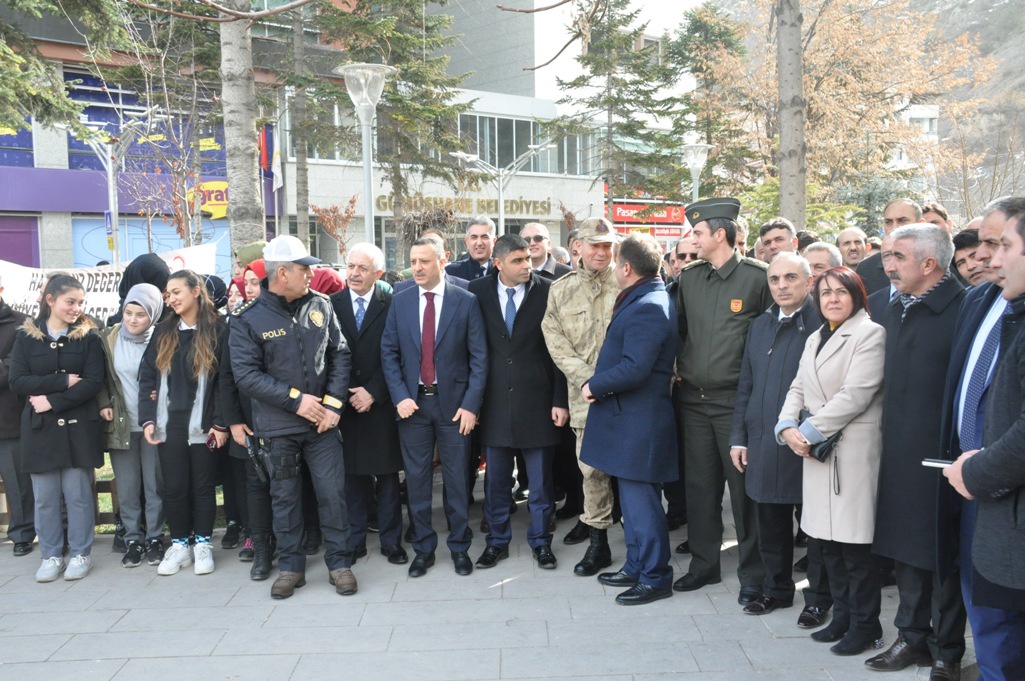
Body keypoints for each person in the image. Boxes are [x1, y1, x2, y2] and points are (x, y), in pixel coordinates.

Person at [229, 235, 355, 599]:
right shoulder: (247, 318)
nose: (312, 273)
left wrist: (332, 405)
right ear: (282, 273)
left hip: (323, 424)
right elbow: (246, 374)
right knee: (284, 498)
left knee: (332, 494)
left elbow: (340, 354)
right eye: (305, 268)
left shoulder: (320, 305)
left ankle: (339, 564)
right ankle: (290, 568)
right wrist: (296, 401)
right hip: (279, 425)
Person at [867, 224, 968, 676]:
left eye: (898, 257)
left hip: (945, 453)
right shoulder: (890, 307)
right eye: (887, 254)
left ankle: (947, 651)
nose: (888, 264)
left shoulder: (964, 307)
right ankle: (911, 638)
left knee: (941, 554)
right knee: (905, 547)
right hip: (896, 448)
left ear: (930, 264)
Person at [775, 267, 886, 656]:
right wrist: (786, 425)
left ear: (857, 294)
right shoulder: (816, 336)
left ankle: (867, 625)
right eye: (825, 293)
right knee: (828, 547)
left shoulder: (871, 333)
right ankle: (841, 617)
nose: (833, 299)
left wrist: (806, 431)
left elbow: (857, 393)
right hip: (817, 452)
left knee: (855, 549)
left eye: (841, 292)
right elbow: (797, 386)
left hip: (851, 452)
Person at [939, 196, 1025, 681]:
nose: (987, 258)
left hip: (1000, 483)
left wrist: (980, 470)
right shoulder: (979, 299)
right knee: (986, 614)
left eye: (999, 244)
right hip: (968, 483)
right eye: (983, 244)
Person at [673, 197, 771, 605]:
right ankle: (704, 565)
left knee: (744, 492)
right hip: (692, 402)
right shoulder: (690, 278)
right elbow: (679, 333)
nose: (691, 239)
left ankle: (753, 572)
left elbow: (770, 341)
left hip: (736, 405)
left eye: (697, 232)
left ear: (720, 233)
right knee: (699, 487)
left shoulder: (758, 278)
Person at [730, 253, 832, 625]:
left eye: (790, 278)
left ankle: (819, 599)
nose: (782, 286)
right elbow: (746, 385)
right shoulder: (760, 325)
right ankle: (776, 590)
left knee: (816, 529)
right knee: (770, 525)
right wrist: (739, 437)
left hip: (807, 444)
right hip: (762, 442)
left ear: (809, 281)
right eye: (774, 280)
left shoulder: (824, 323)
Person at [381, 236, 488, 578]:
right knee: (417, 480)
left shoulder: (465, 301)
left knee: (457, 481)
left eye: (424, 261)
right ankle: (424, 549)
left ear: (442, 261)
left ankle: (460, 547)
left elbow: (479, 358)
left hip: (455, 408)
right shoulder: (401, 301)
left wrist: (471, 405)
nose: (417, 268)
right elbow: (389, 353)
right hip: (413, 406)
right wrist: (400, 396)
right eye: (413, 261)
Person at [580, 234, 678, 605]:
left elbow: (636, 367)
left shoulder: (649, 304)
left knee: (643, 506)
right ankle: (637, 565)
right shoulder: (646, 296)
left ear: (625, 267)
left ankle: (655, 576)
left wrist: (595, 385)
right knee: (633, 504)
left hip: (639, 423)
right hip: (628, 422)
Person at [469, 234, 568, 570]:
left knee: (540, 484)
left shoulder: (549, 289)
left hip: (539, 403)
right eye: (517, 260)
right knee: (496, 483)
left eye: (528, 258)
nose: (527, 265)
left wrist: (559, 399)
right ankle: (497, 542)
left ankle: (541, 543)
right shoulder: (476, 292)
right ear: (498, 263)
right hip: (494, 404)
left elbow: (559, 351)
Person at [9, 274, 105, 581]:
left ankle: (81, 553)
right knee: (46, 497)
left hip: (77, 427)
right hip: (40, 429)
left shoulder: (88, 336)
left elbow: (93, 381)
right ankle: (50, 554)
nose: (76, 308)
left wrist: (53, 401)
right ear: (50, 300)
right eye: (70, 302)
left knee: (77, 494)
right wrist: (61, 381)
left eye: (80, 302)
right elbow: (17, 381)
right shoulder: (26, 336)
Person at [541, 217, 620, 577]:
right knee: (592, 472)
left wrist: (614, 380)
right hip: (585, 398)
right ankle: (598, 543)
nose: (602, 252)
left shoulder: (629, 282)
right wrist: (590, 380)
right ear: (579, 248)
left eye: (607, 245)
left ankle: (638, 539)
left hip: (628, 395)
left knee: (632, 471)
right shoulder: (561, 290)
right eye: (595, 245)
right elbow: (556, 343)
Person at [139, 270, 228, 577]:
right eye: (168, 294)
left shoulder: (219, 329)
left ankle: (202, 544)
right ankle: (179, 545)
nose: (171, 298)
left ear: (195, 292)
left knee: (202, 487)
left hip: (205, 424)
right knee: (174, 487)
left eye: (176, 291)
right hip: (169, 423)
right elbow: (147, 377)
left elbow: (225, 382)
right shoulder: (164, 331)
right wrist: (148, 418)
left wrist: (221, 423)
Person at [330, 243, 407, 566]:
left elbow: (401, 354)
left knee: (388, 478)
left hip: (381, 402)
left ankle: (392, 542)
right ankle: (355, 540)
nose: (355, 273)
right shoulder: (330, 305)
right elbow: (328, 354)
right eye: (351, 266)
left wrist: (373, 391)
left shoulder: (392, 304)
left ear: (377, 272)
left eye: (362, 268)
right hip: (345, 404)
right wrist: (347, 393)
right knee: (352, 478)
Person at [97, 283, 167, 568]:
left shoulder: (163, 339)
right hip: (122, 425)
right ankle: (133, 540)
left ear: (153, 315)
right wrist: (104, 403)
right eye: (129, 312)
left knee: (155, 486)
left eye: (141, 314)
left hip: (154, 424)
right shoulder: (108, 338)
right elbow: (99, 376)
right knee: (126, 487)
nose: (133, 319)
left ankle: (154, 538)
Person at [0, 273, 34, 557]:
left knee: (17, 483)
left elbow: (10, 372)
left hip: (8, 419)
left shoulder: (21, 323)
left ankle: (22, 534)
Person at [858, 199, 922, 294]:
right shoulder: (866, 269)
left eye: (902, 221)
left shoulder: (940, 265)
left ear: (921, 224)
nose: (894, 228)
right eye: (888, 222)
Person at [445, 216, 495, 281]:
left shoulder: (503, 272)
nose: (479, 243)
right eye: (474, 237)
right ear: (467, 242)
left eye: (484, 237)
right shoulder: (451, 272)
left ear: (494, 241)